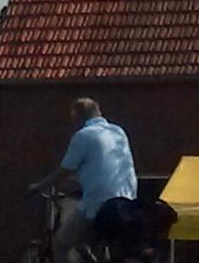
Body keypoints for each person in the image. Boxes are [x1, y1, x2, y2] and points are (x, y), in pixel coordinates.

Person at [49, 95, 137, 225]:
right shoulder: (118, 132)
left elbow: (66, 169)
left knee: (62, 242)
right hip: (126, 202)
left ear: (78, 117)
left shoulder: (84, 135)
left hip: (99, 204)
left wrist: (40, 186)